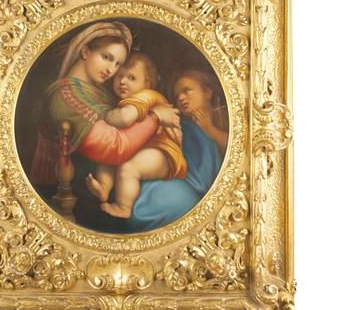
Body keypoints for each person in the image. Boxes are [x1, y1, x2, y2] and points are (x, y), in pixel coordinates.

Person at [29, 22, 181, 230]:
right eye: (107, 57)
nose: (111, 70)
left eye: (118, 64)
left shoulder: (98, 91)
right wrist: (155, 117)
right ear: (85, 51)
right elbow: (114, 147)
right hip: (80, 208)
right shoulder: (65, 95)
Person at [85, 53, 187, 218]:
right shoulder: (125, 100)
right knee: (109, 157)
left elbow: (123, 118)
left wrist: (106, 116)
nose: (123, 81)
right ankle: (103, 188)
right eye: (120, 76)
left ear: (147, 84)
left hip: (163, 154)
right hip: (137, 148)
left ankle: (123, 207)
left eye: (131, 78)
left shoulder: (146, 96)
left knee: (128, 168)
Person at [172, 68, 228, 154]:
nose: (180, 98)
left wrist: (210, 129)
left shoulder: (225, 117)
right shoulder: (182, 129)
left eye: (187, 90)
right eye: (177, 96)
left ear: (207, 93)